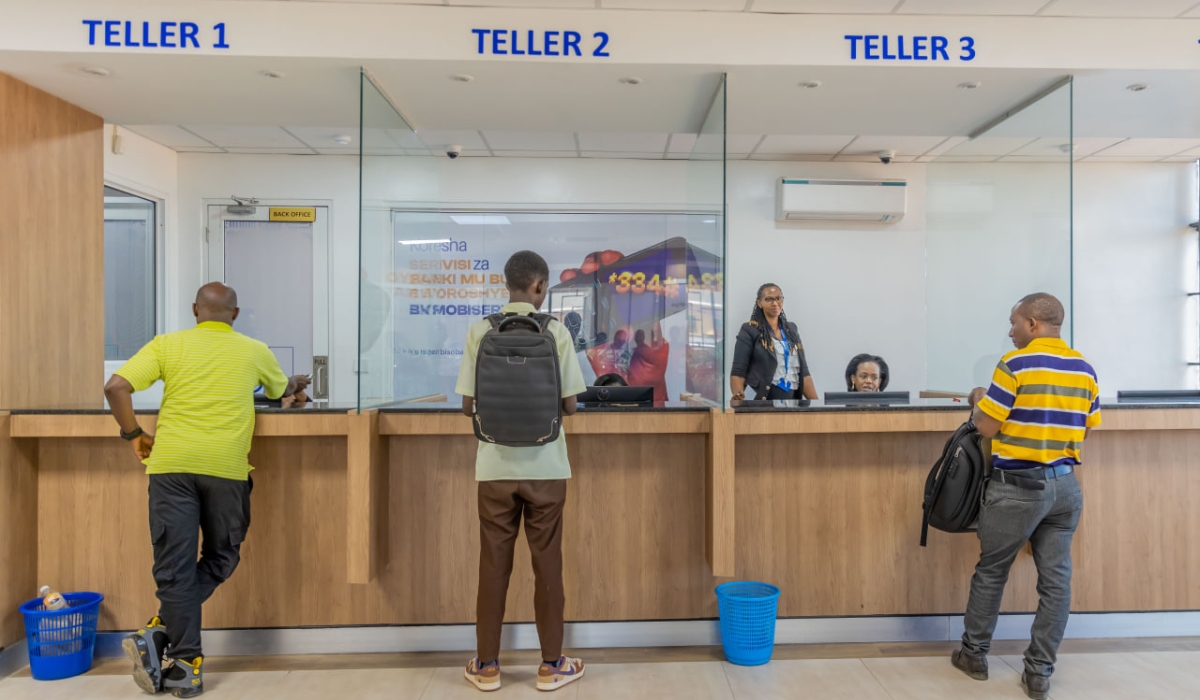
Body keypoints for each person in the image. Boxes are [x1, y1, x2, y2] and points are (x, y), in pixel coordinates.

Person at [104, 283, 308, 698]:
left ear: (195, 310)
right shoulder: (254, 349)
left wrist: (133, 435)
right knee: (221, 555)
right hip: (225, 470)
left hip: (170, 468)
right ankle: (165, 638)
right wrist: (293, 386)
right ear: (235, 314)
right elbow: (279, 390)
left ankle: (180, 659)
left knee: (174, 570)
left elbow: (115, 387)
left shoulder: (167, 345)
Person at [951, 293, 1100, 700]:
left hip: (1017, 486)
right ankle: (1039, 672)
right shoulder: (1085, 370)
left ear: (1033, 324)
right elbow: (1086, 429)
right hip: (1066, 488)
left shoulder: (1015, 364)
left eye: (1015, 322)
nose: (1011, 330)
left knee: (992, 571)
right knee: (1057, 580)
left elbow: (986, 427)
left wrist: (978, 397)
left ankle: (974, 656)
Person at [456, 251, 587, 693]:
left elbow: (467, 405)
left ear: (507, 284)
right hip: (547, 465)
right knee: (547, 564)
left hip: (493, 467)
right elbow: (570, 404)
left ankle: (487, 666)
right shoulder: (556, 332)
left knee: (493, 566)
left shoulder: (479, 332)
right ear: (540, 287)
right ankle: (552, 665)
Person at [730, 283, 816, 402]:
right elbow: (738, 372)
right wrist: (738, 397)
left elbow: (804, 374)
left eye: (778, 298)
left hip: (792, 406)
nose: (775, 303)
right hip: (762, 404)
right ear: (759, 303)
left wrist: (818, 406)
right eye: (769, 299)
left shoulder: (792, 330)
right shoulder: (749, 330)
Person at [626, 322, 670, 404]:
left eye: (641, 335)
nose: (638, 338)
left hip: (651, 399)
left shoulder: (653, 349)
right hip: (638, 397)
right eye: (638, 336)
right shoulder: (636, 351)